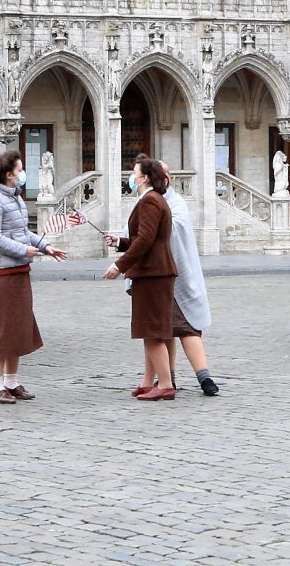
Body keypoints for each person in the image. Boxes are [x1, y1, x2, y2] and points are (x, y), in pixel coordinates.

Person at [0, 149, 66, 404]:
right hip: (4, 272)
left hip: (20, 270)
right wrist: (23, 250)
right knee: (1, 329)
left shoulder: (15, 198)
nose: (22, 174)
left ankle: (11, 382)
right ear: (8, 175)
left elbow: (22, 232)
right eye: (19, 170)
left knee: (17, 329)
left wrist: (45, 247)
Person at [103, 157, 178, 400]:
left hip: (152, 273)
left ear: (145, 177)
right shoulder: (152, 199)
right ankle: (148, 381)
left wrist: (119, 264)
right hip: (154, 272)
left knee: (152, 331)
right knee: (151, 331)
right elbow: (146, 238)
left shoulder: (150, 201)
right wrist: (121, 242)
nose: (132, 177)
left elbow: (146, 240)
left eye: (135, 173)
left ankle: (165, 384)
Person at [159, 160, 218, 396]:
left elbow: (175, 228)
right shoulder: (148, 201)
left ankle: (204, 377)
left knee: (186, 328)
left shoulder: (176, 202)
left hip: (177, 275)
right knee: (163, 331)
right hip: (157, 277)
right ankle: (168, 378)